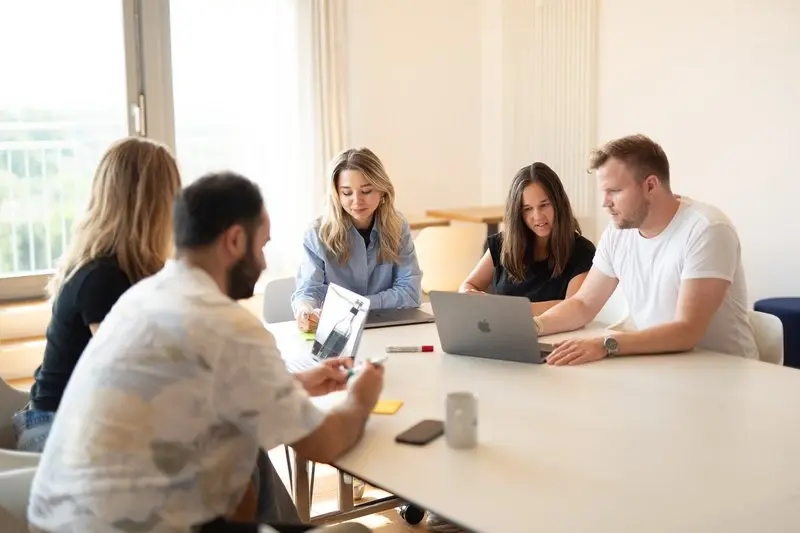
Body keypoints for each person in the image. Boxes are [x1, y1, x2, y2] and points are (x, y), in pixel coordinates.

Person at [27, 172, 382, 533]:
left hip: (60, 521)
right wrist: (362, 397)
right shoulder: (229, 326)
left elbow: (199, 387)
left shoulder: (143, 296)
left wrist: (297, 384)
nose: (261, 263)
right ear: (234, 240)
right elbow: (323, 444)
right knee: (355, 530)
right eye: (261, 247)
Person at [12, 137, 182, 452]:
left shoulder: (121, 271)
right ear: (154, 204)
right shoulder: (104, 278)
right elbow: (127, 372)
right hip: (54, 431)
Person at [534, 134, 758, 365]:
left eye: (615, 191)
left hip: (722, 371)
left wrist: (606, 344)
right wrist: (535, 327)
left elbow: (687, 331)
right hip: (658, 364)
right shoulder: (617, 232)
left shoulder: (707, 229)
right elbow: (584, 304)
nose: (605, 202)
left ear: (650, 185)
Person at [291, 147, 422, 333]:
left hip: (389, 330)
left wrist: (352, 306)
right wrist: (305, 310)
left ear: (382, 191)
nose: (357, 201)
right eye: (347, 193)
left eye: (366, 191)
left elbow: (410, 293)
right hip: (337, 332)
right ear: (336, 195)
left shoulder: (398, 227)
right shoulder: (317, 233)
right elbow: (309, 291)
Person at [459, 162, 595, 315]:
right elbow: (469, 285)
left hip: (554, 336)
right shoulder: (503, 243)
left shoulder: (582, 252)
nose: (537, 216)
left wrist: (504, 308)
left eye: (544, 205)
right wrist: (469, 294)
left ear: (558, 204)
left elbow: (573, 307)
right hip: (499, 333)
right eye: (527, 209)